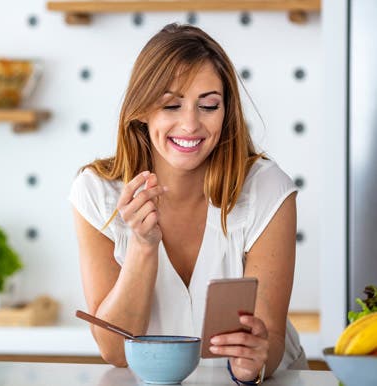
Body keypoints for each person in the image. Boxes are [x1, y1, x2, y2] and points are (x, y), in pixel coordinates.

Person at [68, 23, 308, 383]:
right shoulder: (97, 193)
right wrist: (143, 247)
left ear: (226, 110)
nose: (191, 124)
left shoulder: (267, 189)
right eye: (171, 105)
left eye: (209, 105)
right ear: (141, 111)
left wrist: (252, 362)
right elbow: (115, 351)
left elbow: (270, 340)